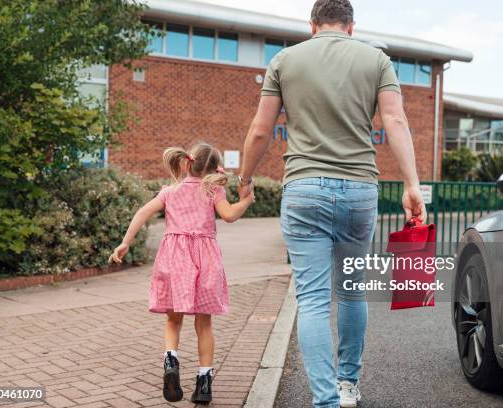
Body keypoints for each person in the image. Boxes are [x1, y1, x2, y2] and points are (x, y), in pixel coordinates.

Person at [237, 0, 427, 406]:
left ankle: (324, 400)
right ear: (351, 26)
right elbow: (395, 121)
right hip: (359, 189)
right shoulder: (376, 60)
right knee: (353, 293)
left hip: (304, 190)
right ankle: (347, 387)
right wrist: (412, 184)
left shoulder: (284, 61)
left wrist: (246, 178)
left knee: (313, 299)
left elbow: (260, 130)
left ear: (312, 25)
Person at [109, 143, 254, 404]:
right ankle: (204, 383)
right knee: (204, 323)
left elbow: (143, 212)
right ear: (213, 169)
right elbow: (230, 215)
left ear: (187, 163)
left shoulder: (170, 191)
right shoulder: (213, 190)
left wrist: (125, 242)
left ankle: (171, 360)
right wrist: (246, 200)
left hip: (174, 259)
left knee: (173, 320)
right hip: (205, 260)